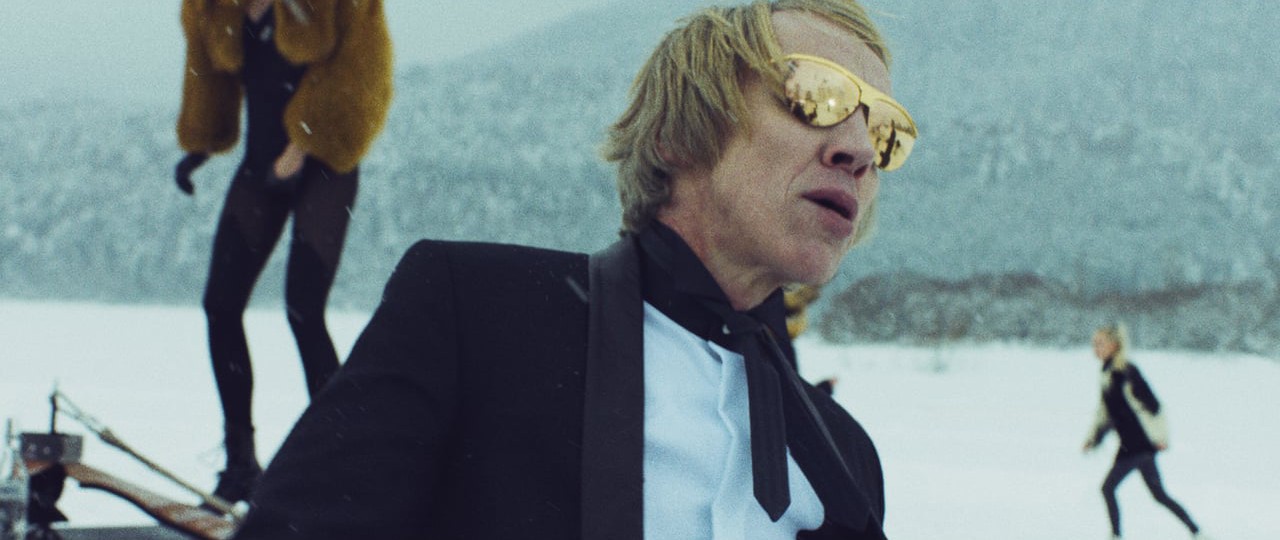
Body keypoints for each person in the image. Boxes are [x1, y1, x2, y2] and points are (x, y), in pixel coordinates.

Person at [232, 0, 917, 537]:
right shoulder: (474, 315)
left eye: (885, 131)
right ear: (677, 134)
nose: (859, 150)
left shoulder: (846, 456)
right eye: (815, 95)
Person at [174, 0, 393, 505]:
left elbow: (361, 70)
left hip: (325, 164)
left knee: (303, 310)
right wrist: (200, 145)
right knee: (220, 306)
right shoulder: (216, 7)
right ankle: (240, 464)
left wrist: (302, 145)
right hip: (260, 166)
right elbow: (207, 72)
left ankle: (342, 459)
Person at [1082, 322, 1202, 539]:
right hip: (1133, 445)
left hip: (1139, 444)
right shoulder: (1107, 373)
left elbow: (1155, 406)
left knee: (1108, 488)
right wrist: (1093, 438)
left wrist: (1161, 438)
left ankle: (1116, 536)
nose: (1095, 348)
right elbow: (1107, 414)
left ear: (1114, 345)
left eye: (1100, 343)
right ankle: (1196, 531)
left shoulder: (1127, 372)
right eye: (1094, 344)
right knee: (1159, 495)